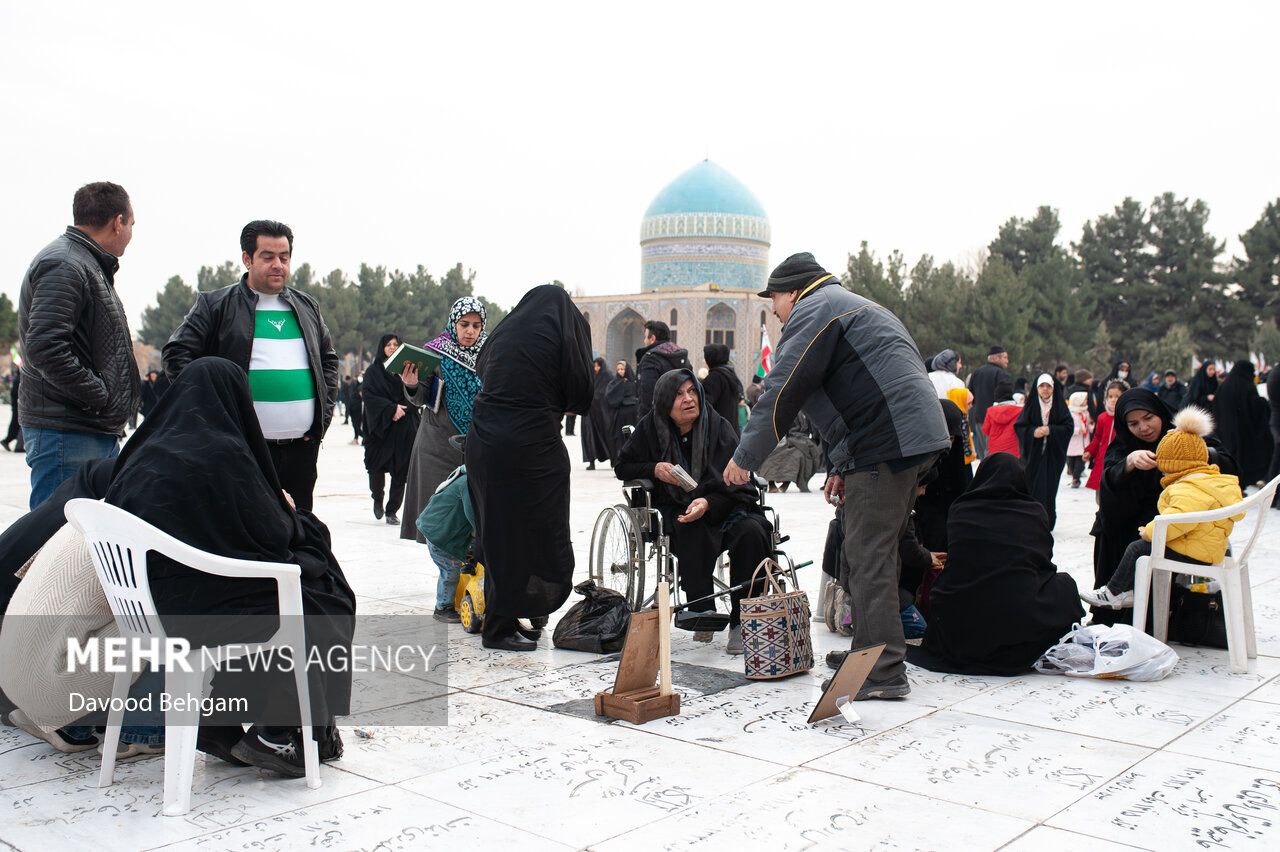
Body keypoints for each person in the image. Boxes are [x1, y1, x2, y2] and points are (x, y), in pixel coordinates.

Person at [102, 357, 354, 775]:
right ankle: (279, 731)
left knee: (274, 584)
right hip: (197, 615)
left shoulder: (142, 450)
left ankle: (220, 721)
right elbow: (272, 535)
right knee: (321, 592)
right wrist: (288, 509)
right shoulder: (221, 452)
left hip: (145, 610)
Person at [724, 252, 949, 700]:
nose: (774, 309)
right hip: (905, 439)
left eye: (775, 299)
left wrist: (746, 457)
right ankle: (869, 651)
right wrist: (844, 467)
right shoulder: (853, 304)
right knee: (868, 549)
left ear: (793, 290)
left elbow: (784, 388)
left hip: (887, 443)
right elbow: (851, 395)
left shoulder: (816, 310)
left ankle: (881, 669)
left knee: (869, 555)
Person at [163, 220, 339, 512]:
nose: (278, 265)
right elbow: (176, 356)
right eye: (268, 256)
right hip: (241, 450)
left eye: (284, 257)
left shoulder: (307, 306)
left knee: (300, 533)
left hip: (301, 451)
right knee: (249, 532)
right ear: (247, 259)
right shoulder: (215, 305)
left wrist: (323, 417)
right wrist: (216, 416)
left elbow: (328, 360)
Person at [465, 285, 594, 651]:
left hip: (484, 444)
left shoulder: (507, 331)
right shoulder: (562, 331)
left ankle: (503, 617)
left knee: (498, 534)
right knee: (529, 533)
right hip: (527, 448)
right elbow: (582, 394)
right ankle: (498, 628)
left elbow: (483, 367)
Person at [616, 370, 772, 654]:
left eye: (692, 392)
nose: (688, 399)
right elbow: (623, 466)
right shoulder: (650, 429)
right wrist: (654, 469)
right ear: (665, 401)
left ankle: (744, 621)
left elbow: (739, 484)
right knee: (688, 525)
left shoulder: (719, 427)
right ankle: (702, 610)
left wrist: (709, 503)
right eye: (679, 394)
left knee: (753, 530)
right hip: (678, 508)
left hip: (726, 505)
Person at [17, 181, 140, 509]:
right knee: (53, 542)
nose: (130, 233)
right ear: (118, 222)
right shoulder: (66, 265)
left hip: (83, 428)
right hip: (68, 432)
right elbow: (45, 346)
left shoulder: (84, 263)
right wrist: (100, 396)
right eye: (131, 224)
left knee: (76, 542)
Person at [908, 453, 1083, 676]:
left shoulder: (961, 509)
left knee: (946, 584)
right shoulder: (1034, 511)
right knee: (1065, 585)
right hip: (1019, 618)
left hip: (965, 616)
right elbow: (1043, 562)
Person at [1082, 406, 1242, 609]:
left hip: (1188, 543)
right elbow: (1108, 493)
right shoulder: (1213, 480)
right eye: (1133, 424)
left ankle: (1115, 592)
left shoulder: (1189, 479)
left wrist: (1149, 532)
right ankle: (1127, 594)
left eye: (1149, 418)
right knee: (1109, 526)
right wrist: (1128, 463)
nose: (1143, 427)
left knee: (1137, 547)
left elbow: (1177, 519)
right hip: (1201, 542)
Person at [397, 297, 487, 542]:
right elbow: (421, 397)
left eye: (476, 325)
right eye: (464, 324)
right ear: (453, 323)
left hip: (478, 446)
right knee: (440, 525)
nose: (470, 331)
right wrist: (412, 385)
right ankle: (448, 578)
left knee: (478, 524)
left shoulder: (490, 353)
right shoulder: (434, 352)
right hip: (438, 447)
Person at [362, 334, 419, 524]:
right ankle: (377, 498)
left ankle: (392, 510)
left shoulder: (407, 370)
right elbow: (369, 397)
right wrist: (390, 409)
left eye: (396, 344)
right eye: (389, 345)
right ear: (382, 348)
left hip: (404, 428)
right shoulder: (372, 373)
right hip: (379, 429)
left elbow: (416, 394)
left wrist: (402, 409)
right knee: (375, 467)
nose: (393, 347)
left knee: (401, 471)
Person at [417, 463, 476, 623]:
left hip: (443, 530)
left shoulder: (467, 477)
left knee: (463, 562)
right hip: (439, 535)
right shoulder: (467, 484)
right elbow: (474, 516)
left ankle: (455, 597)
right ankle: (442, 607)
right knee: (450, 570)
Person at [1014, 374, 1072, 529]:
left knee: (1049, 488)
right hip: (1033, 456)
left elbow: (1068, 426)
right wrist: (1033, 432)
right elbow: (1020, 426)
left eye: (1048, 386)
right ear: (1036, 388)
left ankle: (1047, 520)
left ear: (1053, 388)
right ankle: (1032, 520)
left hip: (1053, 456)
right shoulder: (1031, 404)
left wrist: (1050, 430)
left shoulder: (1059, 405)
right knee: (1032, 486)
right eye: (1042, 386)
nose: (1045, 389)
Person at [1213, 360, 1273, 487]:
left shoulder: (1223, 387)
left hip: (1224, 433)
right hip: (1244, 434)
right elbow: (1255, 408)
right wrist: (1264, 402)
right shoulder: (1247, 386)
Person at [756, 412, 824, 493]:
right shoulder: (773, 410)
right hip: (775, 439)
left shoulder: (803, 412)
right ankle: (771, 484)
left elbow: (809, 429)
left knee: (798, 456)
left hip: (796, 439)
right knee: (770, 455)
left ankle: (786, 483)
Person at [635, 320, 690, 413]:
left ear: (652, 338)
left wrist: (645, 421)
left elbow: (648, 395)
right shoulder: (682, 356)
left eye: (645, 338)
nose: (644, 341)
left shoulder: (650, 359)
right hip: (681, 415)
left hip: (658, 418)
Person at [967, 345, 1011, 458]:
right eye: (1005, 358)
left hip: (979, 420)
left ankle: (984, 474)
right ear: (996, 358)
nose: (1007, 361)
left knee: (983, 455)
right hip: (995, 420)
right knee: (994, 454)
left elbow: (970, 396)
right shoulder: (1001, 374)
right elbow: (1006, 398)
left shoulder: (976, 373)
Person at [1083, 380, 1125, 495]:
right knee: (1100, 493)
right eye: (1110, 396)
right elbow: (1097, 438)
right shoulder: (1102, 417)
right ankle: (1101, 512)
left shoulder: (1125, 417)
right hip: (1102, 459)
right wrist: (1089, 451)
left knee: (1116, 489)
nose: (1113, 399)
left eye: (1117, 396)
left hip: (1119, 459)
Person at [701, 343, 744, 437]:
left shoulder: (714, 378)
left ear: (710, 358)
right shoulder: (731, 375)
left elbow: (705, 406)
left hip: (719, 433)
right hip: (731, 431)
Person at [602, 360, 640, 460]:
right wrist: (621, 385)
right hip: (620, 415)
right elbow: (609, 397)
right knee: (620, 438)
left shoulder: (634, 382)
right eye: (618, 369)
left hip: (633, 414)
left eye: (622, 369)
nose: (620, 371)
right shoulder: (614, 383)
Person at [580, 357, 612, 470]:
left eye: (598, 366)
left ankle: (613, 460)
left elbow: (606, 393)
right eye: (594, 365)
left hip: (602, 414)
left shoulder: (607, 376)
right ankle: (591, 461)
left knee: (606, 436)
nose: (596, 368)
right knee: (590, 437)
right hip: (589, 413)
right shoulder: (591, 376)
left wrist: (594, 397)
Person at [982, 379, 1022, 458]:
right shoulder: (1020, 411)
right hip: (1014, 452)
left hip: (994, 452)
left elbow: (986, 430)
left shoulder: (990, 411)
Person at [1066, 391, 1091, 488]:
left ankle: (1076, 479)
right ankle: (1073, 476)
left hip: (1083, 442)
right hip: (1072, 443)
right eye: (1084, 400)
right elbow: (1068, 427)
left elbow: (1088, 424)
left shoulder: (1085, 413)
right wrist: (1077, 430)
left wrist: (1091, 427)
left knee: (1080, 463)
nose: (1086, 401)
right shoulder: (1070, 414)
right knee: (1071, 463)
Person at [2, 368, 24, 453]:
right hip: (18, 407)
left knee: (15, 425)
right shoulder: (19, 380)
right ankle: (8, 441)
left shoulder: (17, 379)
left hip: (17, 407)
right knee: (15, 425)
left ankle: (9, 441)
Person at [346, 377, 363, 444]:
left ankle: (364, 438)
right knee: (356, 426)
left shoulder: (359, 390)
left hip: (357, 413)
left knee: (357, 427)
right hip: (354, 412)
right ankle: (356, 439)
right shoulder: (356, 393)